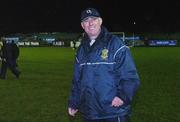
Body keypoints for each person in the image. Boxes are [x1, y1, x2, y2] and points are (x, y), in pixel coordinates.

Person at [68, 8, 140, 122]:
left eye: (94, 19)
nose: (90, 23)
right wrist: (74, 102)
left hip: (112, 112)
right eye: (86, 20)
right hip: (89, 113)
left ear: (100, 21)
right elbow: (77, 80)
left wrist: (123, 96)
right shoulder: (81, 49)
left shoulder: (115, 44)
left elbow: (130, 76)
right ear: (82, 25)